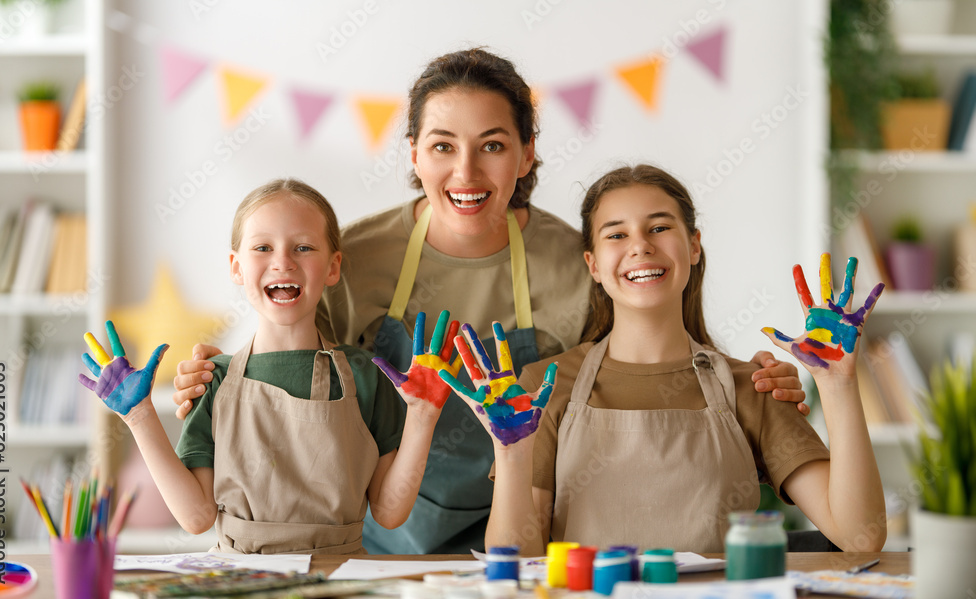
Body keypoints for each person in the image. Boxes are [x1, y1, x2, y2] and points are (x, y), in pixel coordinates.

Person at [169, 50, 808, 554]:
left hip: (536, 530)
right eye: (443, 145)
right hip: (383, 539)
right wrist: (217, 382)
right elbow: (302, 389)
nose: (467, 174)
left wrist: (746, 387)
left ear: (527, 153)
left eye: (494, 145)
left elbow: (644, 365)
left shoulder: (579, 261)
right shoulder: (350, 260)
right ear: (414, 154)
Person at [442, 164, 887, 553]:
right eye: (617, 234)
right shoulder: (543, 387)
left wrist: (838, 384)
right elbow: (517, 562)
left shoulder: (752, 386)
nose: (640, 246)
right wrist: (512, 454)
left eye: (659, 228)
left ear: (693, 247)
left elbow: (860, 537)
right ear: (593, 265)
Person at [78, 179, 452, 554]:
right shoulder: (213, 379)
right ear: (237, 267)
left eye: (303, 247)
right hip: (240, 581)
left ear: (333, 267)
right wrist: (139, 416)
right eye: (263, 247)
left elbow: (389, 511)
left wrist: (423, 416)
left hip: (339, 576)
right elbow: (196, 517)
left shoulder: (366, 375)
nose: (283, 261)